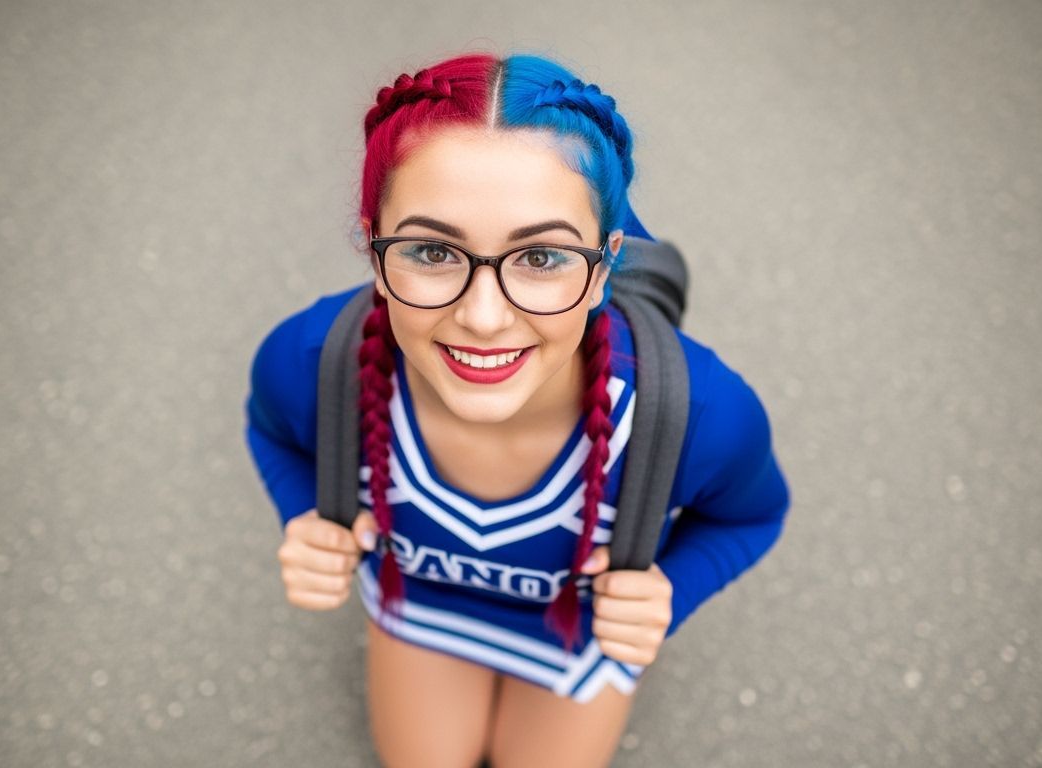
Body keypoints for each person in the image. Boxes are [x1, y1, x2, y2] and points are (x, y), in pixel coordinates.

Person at [244, 51, 790, 768]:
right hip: (423, 613)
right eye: (431, 251)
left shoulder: (697, 411)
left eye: (541, 258)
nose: (483, 318)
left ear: (604, 265)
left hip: (575, 643)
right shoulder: (315, 361)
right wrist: (306, 518)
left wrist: (670, 590)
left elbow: (753, 514)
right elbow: (269, 428)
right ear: (374, 253)